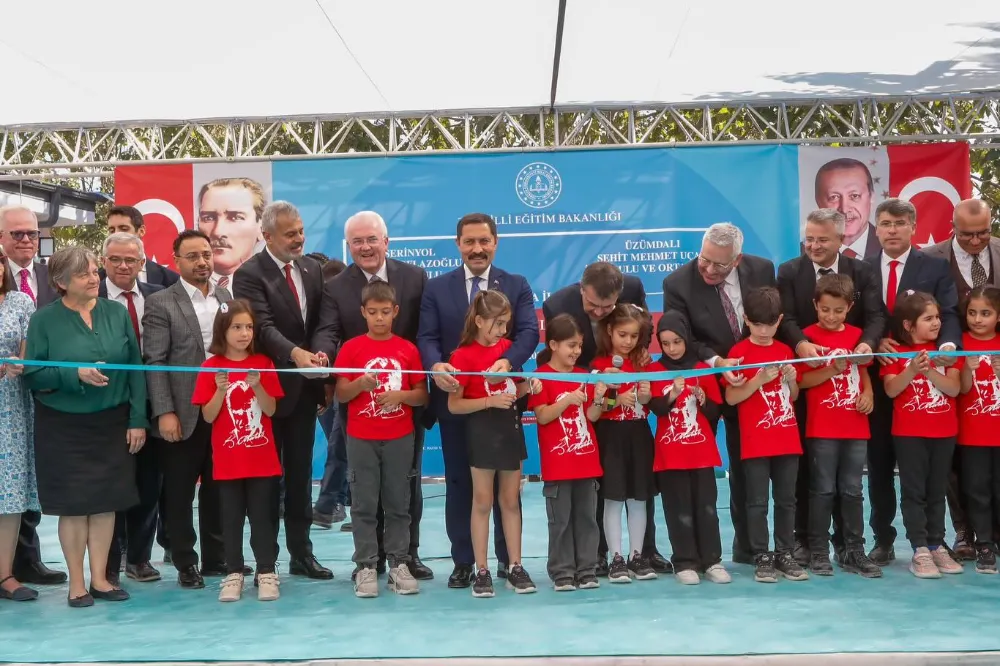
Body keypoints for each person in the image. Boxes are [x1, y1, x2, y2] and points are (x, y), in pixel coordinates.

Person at [417, 212, 539, 589]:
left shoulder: (516, 285)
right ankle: (465, 562)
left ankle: (508, 562)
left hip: (503, 411)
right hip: (458, 407)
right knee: (460, 486)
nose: (477, 248)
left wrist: (508, 362)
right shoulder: (437, 288)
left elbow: (529, 333)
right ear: (458, 245)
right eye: (469, 242)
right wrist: (437, 366)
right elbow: (427, 337)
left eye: (484, 241)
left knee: (506, 491)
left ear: (495, 242)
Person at [23, 246, 147, 607]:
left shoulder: (116, 312)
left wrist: (137, 418)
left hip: (111, 421)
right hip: (63, 426)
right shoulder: (43, 320)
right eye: (84, 274)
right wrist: (73, 373)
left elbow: (135, 368)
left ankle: (101, 580)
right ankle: (76, 584)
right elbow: (32, 373)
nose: (95, 278)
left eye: (95, 271)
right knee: (75, 507)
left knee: (106, 504)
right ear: (61, 282)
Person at [542, 261, 668, 575]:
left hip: (632, 415)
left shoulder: (635, 287)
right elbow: (560, 358)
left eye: (608, 306)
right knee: (603, 488)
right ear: (581, 289)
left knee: (639, 491)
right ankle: (601, 554)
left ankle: (645, 552)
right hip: (592, 397)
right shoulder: (557, 304)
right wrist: (596, 377)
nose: (599, 312)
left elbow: (644, 327)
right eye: (593, 305)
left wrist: (638, 352)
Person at [233, 201, 337, 580]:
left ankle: (301, 554)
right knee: (264, 480)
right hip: (266, 391)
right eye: (290, 233)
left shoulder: (312, 269)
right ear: (268, 236)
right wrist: (296, 355)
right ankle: (265, 561)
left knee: (299, 476)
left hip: (305, 392)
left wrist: (322, 354)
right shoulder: (248, 274)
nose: (299, 238)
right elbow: (262, 327)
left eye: (301, 230)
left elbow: (325, 320)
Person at [662, 222, 776, 565]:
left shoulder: (763, 269)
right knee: (697, 470)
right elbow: (684, 339)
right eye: (704, 260)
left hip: (752, 384)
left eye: (719, 265)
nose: (709, 269)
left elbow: (770, 320)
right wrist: (717, 361)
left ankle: (750, 548)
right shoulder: (677, 283)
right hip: (707, 384)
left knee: (747, 469)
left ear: (738, 260)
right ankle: (695, 553)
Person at [326, 211, 432, 578]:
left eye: (372, 239)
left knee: (405, 490)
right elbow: (328, 334)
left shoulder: (416, 277)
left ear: (386, 242)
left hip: (404, 418)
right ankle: (368, 563)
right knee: (365, 494)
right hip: (361, 420)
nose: (366, 247)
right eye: (357, 241)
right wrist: (324, 360)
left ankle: (406, 557)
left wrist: (410, 392)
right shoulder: (336, 286)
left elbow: (426, 335)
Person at [778, 208, 886, 565]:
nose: (813, 245)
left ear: (842, 238)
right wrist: (800, 345)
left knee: (850, 483)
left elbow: (875, 317)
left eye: (822, 239)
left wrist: (867, 345)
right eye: (809, 237)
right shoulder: (790, 271)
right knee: (812, 475)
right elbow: (787, 318)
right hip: (807, 389)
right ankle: (809, 543)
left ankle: (849, 546)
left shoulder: (862, 271)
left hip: (852, 397)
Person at [864, 198, 962, 567]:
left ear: (912, 227)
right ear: (877, 228)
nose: (891, 230)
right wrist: (875, 342)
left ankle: (935, 543)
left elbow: (948, 313)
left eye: (899, 223)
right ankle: (883, 540)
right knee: (878, 465)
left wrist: (947, 347)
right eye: (885, 223)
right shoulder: (862, 268)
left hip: (927, 379)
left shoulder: (934, 266)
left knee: (931, 473)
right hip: (881, 379)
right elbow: (859, 319)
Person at [143, 229, 231, 589]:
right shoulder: (162, 302)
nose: (202, 262)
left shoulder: (226, 297)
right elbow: (155, 361)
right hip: (182, 411)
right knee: (178, 491)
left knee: (218, 487)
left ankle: (216, 557)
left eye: (207, 254)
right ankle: (184, 561)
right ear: (176, 261)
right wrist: (164, 411)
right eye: (193, 256)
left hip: (222, 409)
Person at [335, 281, 428, 598]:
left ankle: (399, 563)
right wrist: (360, 383)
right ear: (363, 312)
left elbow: (420, 395)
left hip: (400, 437)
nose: (379, 318)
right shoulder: (351, 348)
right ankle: (365, 566)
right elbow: (341, 393)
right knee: (363, 504)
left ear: (395, 312)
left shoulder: (408, 350)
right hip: (361, 437)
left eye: (385, 312)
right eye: (372, 312)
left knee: (398, 503)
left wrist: (400, 395)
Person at [448, 290, 539, 598]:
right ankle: (482, 569)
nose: (503, 331)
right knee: (482, 502)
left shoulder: (509, 351)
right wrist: (488, 401)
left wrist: (531, 385)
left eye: (506, 324)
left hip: (511, 431)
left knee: (511, 501)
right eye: (498, 324)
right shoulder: (462, 356)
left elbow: (517, 390)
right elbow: (454, 405)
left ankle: (515, 565)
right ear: (479, 321)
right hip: (481, 434)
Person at [193, 299, 284, 602]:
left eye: (248, 327)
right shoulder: (210, 367)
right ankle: (234, 573)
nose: (244, 333)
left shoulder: (264, 363)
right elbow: (207, 416)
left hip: (262, 460)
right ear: (223, 330)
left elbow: (270, 410)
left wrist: (258, 387)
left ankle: (267, 571)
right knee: (230, 519)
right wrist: (220, 390)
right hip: (229, 461)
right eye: (237, 327)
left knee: (262, 517)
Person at [923, 198, 1000, 559]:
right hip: (949, 366)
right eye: (967, 234)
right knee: (956, 462)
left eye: (983, 232)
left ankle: (990, 533)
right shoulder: (931, 256)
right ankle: (966, 531)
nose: (975, 241)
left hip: (993, 373)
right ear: (952, 226)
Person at [795, 275, 882, 578]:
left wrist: (869, 393)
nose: (831, 317)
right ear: (815, 305)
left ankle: (854, 549)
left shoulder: (859, 336)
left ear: (849, 308)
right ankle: (818, 550)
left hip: (856, 426)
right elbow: (802, 381)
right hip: (822, 428)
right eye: (825, 310)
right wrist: (831, 368)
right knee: (822, 490)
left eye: (838, 311)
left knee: (853, 490)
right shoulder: (806, 338)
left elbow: (864, 371)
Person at [722, 286, 807, 584]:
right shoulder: (738, 354)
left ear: (779, 320)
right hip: (755, 442)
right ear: (746, 320)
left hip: (786, 439)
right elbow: (731, 399)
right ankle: (761, 554)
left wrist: (793, 380)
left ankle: (785, 552)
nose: (763, 330)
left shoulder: (785, 351)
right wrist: (757, 380)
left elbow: (793, 396)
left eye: (769, 324)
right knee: (756, 502)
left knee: (787, 500)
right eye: (757, 324)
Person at [880, 291, 964, 578]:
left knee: (936, 490)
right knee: (914, 491)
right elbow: (891, 390)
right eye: (928, 318)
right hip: (909, 434)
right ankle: (920, 549)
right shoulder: (896, 354)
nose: (937, 323)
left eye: (938, 317)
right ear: (908, 324)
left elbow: (953, 389)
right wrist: (912, 368)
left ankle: (936, 542)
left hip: (944, 432)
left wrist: (929, 372)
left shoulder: (946, 352)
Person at [0, 205, 63, 586]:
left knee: (24, 482)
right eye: (18, 234)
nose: (27, 240)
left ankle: (27, 560)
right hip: (11, 399)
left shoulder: (46, 277)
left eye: (32, 233)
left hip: (38, 397)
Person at [99, 233, 164, 585]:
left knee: (148, 484)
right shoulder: (90, 298)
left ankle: (139, 558)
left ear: (142, 262)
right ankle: (108, 560)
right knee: (111, 485)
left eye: (131, 260)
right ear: (103, 261)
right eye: (115, 260)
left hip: (154, 403)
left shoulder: (158, 296)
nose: (123, 266)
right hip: (107, 404)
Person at [646, 311, 729, 585]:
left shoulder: (701, 369)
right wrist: (672, 393)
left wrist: (703, 399)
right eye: (666, 343)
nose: (671, 348)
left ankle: (712, 560)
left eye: (677, 342)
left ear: (687, 339)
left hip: (701, 454)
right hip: (671, 457)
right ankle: (684, 561)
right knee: (677, 508)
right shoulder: (655, 371)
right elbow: (656, 408)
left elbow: (716, 411)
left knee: (706, 508)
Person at [527, 313, 605, 592]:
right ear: (553, 344)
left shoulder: (584, 376)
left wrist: (598, 399)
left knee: (587, 519)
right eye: (571, 345)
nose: (576, 351)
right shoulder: (541, 377)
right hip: (558, 465)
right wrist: (568, 401)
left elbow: (593, 417)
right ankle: (562, 572)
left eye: (580, 346)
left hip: (587, 462)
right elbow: (543, 416)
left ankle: (587, 569)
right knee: (560, 521)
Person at [590, 304, 656, 582]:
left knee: (639, 498)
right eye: (622, 334)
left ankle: (637, 556)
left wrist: (643, 396)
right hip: (611, 436)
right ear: (609, 331)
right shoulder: (598, 366)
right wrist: (618, 398)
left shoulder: (644, 363)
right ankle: (616, 557)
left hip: (639, 434)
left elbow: (649, 403)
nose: (628, 341)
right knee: (613, 498)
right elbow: (599, 408)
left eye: (633, 336)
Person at [0, 250, 39, 601]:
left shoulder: (20, 302)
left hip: (10, 409)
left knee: (10, 495)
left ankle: (5, 574)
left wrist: (19, 364)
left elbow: (30, 351)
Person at [956, 285, 1000, 574]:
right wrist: (967, 369)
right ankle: (983, 542)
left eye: (985, 313)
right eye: (972, 313)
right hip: (972, 433)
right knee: (976, 489)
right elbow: (961, 389)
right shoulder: (957, 344)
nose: (978, 319)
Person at [313, 257, 350, 530]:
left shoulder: (352, 307)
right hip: (326, 384)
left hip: (348, 384)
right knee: (338, 445)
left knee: (341, 446)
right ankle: (336, 503)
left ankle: (330, 504)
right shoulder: (318, 310)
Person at [197, 177, 266, 287]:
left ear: (261, 228)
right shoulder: (178, 286)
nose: (218, 232)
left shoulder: (275, 285)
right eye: (208, 218)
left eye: (235, 217)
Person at [813, 158, 881, 258]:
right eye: (834, 197)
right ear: (818, 201)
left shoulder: (895, 250)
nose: (844, 209)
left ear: (871, 197)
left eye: (854, 196)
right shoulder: (798, 254)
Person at [104, 205, 180, 287]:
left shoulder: (171, 280)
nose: (116, 234)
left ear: (141, 231)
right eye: (112, 230)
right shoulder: (96, 280)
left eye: (124, 229)